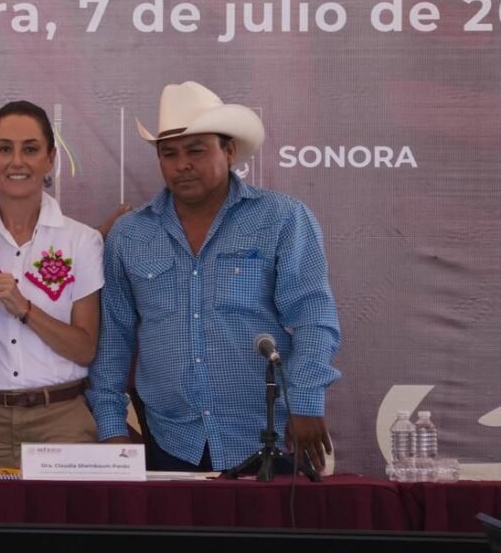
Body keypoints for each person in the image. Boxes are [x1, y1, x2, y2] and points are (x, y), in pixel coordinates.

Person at [87, 81, 341, 474]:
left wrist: (306, 401)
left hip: (271, 437)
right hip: (171, 442)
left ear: (229, 150)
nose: (181, 164)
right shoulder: (130, 234)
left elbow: (313, 317)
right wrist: (110, 429)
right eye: (168, 154)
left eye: (196, 150)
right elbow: (113, 340)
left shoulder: (282, 219)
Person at [0, 101, 104, 469]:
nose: (17, 162)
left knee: (62, 527)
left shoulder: (82, 241)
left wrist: (24, 307)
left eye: (30, 149)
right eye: (4, 149)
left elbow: (85, 349)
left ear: (50, 159)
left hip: (61, 421)